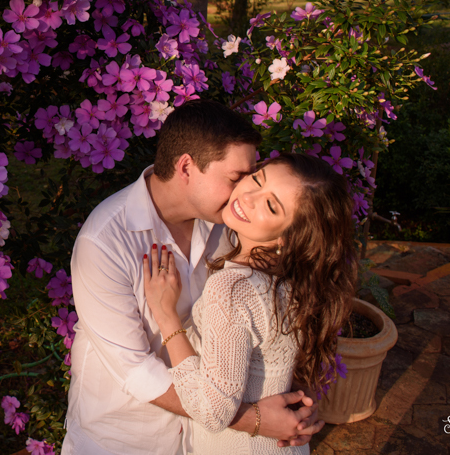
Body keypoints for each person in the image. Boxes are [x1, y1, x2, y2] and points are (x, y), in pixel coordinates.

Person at [63, 100, 323, 455]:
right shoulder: (105, 241)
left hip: (201, 442)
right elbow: (135, 370)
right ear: (187, 166)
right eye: (236, 177)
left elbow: (271, 318)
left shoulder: (232, 226)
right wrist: (255, 420)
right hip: (125, 438)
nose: (244, 193)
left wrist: (297, 403)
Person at [143, 153, 358, 454]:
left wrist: (166, 316)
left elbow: (212, 412)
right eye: (257, 179)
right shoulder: (300, 280)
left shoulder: (233, 288)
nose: (249, 197)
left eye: (271, 206)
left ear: (289, 236)